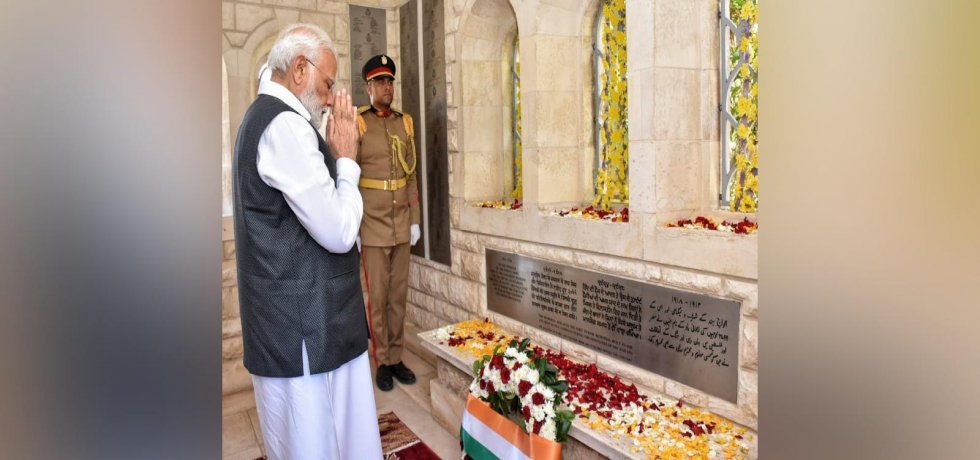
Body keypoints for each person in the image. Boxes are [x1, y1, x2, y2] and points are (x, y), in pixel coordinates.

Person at [232, 23, 382, 460]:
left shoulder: (266, 117)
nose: (330, 94)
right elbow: (337, 231)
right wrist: (348, 162)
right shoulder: (286, 128)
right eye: (327, 82)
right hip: (304, 331)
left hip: (297, 323)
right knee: (317, 444)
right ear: (300, 69)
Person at [355, 54, 421, 391]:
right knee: (377, 297)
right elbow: (347, 177)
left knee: (398, 295)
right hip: (372, 224)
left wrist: (415, 219)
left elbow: (410, 177)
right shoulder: (359, 123)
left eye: (390, 81)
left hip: (400, 222)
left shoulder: (404, 123)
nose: (387, 87)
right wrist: (352, 224)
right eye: (380, 81)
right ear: (368, 87)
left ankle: (396, 357)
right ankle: (381, 360)